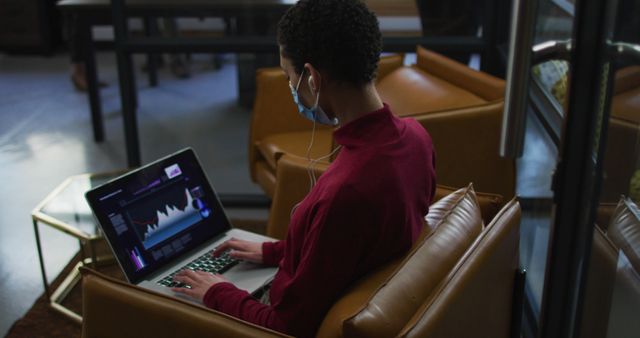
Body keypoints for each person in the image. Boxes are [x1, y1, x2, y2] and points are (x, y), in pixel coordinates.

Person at [172, 1, 436, 336]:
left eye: (289, 76)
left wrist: (216, 292)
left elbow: (285, 325)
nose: (290, 85)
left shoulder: (346, 192)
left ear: (311, 78)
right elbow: (347, 249)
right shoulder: (417, 140)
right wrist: (275, 251)